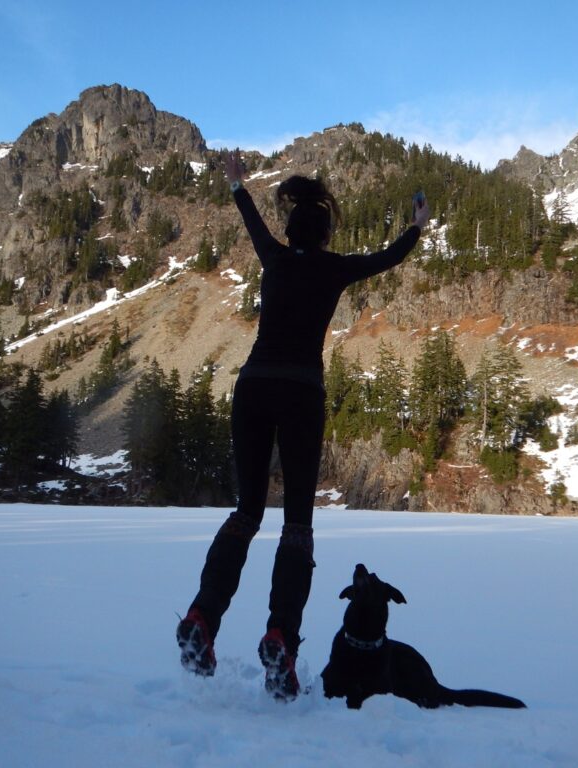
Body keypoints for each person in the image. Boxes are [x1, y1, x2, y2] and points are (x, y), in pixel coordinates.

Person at [177, 151, 431, 701]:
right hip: (301, 394)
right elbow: (389, 257)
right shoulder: (334, 268)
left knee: (246, 513)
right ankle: (281, 639)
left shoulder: (274, 257)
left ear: (291, 229)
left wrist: (238, 184)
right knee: (296, 525)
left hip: (254, 386)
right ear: (324, 233)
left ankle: (202, 617)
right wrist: (416, 226)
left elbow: (250, 222)